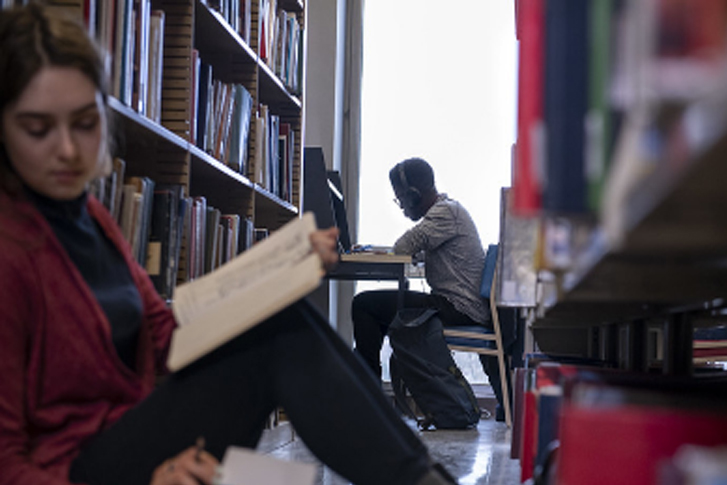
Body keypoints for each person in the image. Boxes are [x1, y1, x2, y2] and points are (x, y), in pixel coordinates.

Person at [0, 5, 458, 485]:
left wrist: (271, 277)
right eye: (37, 129)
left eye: (84, 123)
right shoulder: (10, 254)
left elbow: (161, 337)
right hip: (79, 472)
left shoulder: (88, 215)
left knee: (280, 324)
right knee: (280, 340)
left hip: (128, 437)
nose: (69, 150)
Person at [351, 157, 510, 421]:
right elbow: (417, 251)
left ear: (414, 195)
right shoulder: (447, 212)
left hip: (459, 308)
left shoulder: (445, 212)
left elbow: (405, 246)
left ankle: (368, 400)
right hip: (457, 305)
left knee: (364, 305)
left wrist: (401, 251)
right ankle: (371, 398)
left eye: (401, 199)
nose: (401, 206)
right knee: (375, 308)